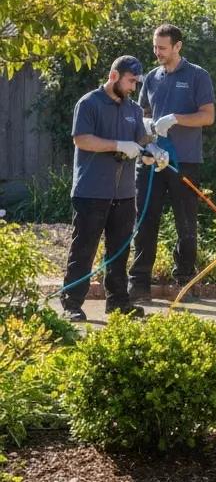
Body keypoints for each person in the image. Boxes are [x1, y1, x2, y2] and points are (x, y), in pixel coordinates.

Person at [59, 56, 169, 322]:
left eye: (136, 83)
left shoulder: (132, 109)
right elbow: (82, 140)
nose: (133, 88)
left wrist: (152, 151)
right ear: (114, 76)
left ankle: (118, 303)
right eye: (130, 81)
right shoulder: (89, 103)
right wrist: (118, 145)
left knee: (119, 251)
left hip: (124, 193)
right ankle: (71, 304)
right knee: (83, 249)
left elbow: (141, 142)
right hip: (91, 191)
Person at [128, 23, 215, 303]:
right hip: (152, 161)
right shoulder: (152, 78)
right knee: (144, 221)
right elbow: (140, 115)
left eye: (162, 48)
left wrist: (176, 118)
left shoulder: (197, 76)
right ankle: (139, 285)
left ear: (178, 46)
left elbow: (207, 116)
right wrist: (147, 144)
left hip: (184, 162)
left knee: (186, 224)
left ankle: (184, 282)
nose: (157, 52)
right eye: (155, 47)